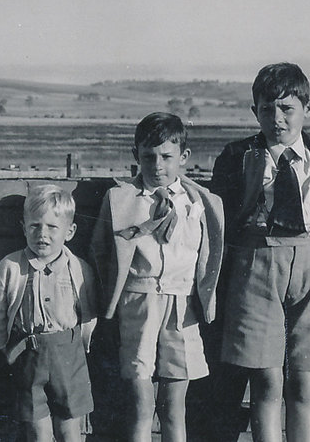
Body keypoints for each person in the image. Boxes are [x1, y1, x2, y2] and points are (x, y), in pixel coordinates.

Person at [211, 63, 310, 442]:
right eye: (266, 109)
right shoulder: (236, 156)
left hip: (308, 268)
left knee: (304, 383)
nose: (276, 119)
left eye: (286, 108)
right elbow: (220, 219)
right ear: (254, 111)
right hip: (255, 266)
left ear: (307, 108)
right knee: (266, 381)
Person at [90, 112, 224, 442]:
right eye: (148, 157)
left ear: (183, 157)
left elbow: (211, 254)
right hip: (139, 304)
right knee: (141, 404)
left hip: (184, 306)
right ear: (136, 156)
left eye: (166, 156)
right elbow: (99, 251)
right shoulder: (120, 200)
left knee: (175, 407)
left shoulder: (200, 201)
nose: (157, 165)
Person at [0, 184, 98, 442]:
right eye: (35, 226)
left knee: (70, 428)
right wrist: (6, 347)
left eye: (52, 227)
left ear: (69, 232)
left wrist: (78, 345)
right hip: (28, 357)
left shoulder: (79, 269)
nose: (42, 234)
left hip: (69, 356)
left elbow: (89, 313)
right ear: (24, 228)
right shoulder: (11, 266)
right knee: (38, 432)